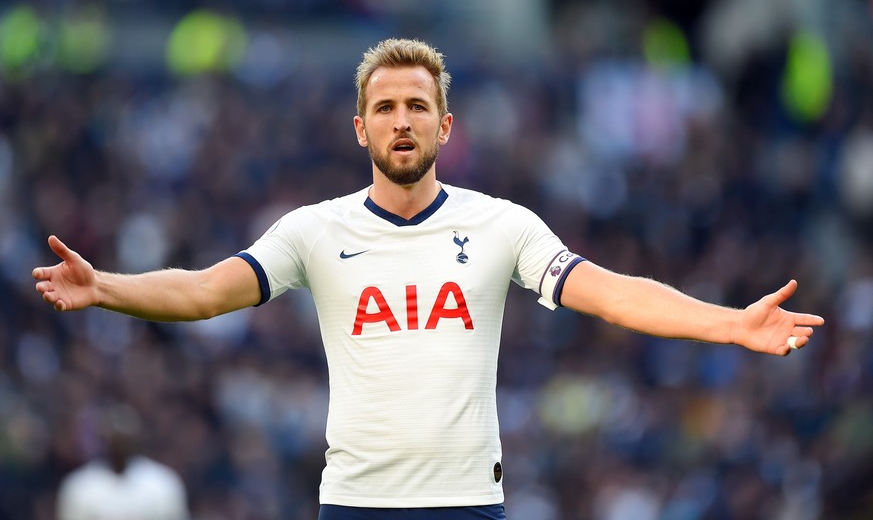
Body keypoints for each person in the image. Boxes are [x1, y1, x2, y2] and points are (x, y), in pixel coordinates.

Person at [33, 38, 824, 520]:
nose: (401, 120)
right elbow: (206, 290)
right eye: (385, 108)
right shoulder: (314, 230)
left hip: (465, 505)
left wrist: (727, 322)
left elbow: (612, 292)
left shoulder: (501, 225)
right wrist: (107, 286)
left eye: (417, 106)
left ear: (445, 125)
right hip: (355, 505)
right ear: (360, 126)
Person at [56, 404, 189, 520]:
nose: (119, 444)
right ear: (103, 440)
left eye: (124, 439)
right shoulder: (81, 486)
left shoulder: (161, 483)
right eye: (114, 438)